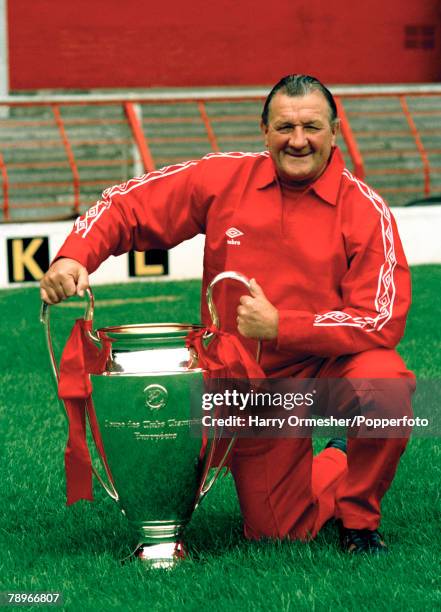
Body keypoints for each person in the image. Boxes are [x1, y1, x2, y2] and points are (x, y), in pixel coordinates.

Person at [40, 74, 415, 554]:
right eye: (284, 127)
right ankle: (338, 460)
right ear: (263, 131)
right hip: (251, 385)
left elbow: (381, 317)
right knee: (278, 531)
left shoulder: (365, 210)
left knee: (385, 385)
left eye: (311, 127)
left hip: (328, 366)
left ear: (335, 132)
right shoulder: (223, 179)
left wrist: (283, 326)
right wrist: (75, 256)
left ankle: (360, 521)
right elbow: (128, 203)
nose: (297, 140)